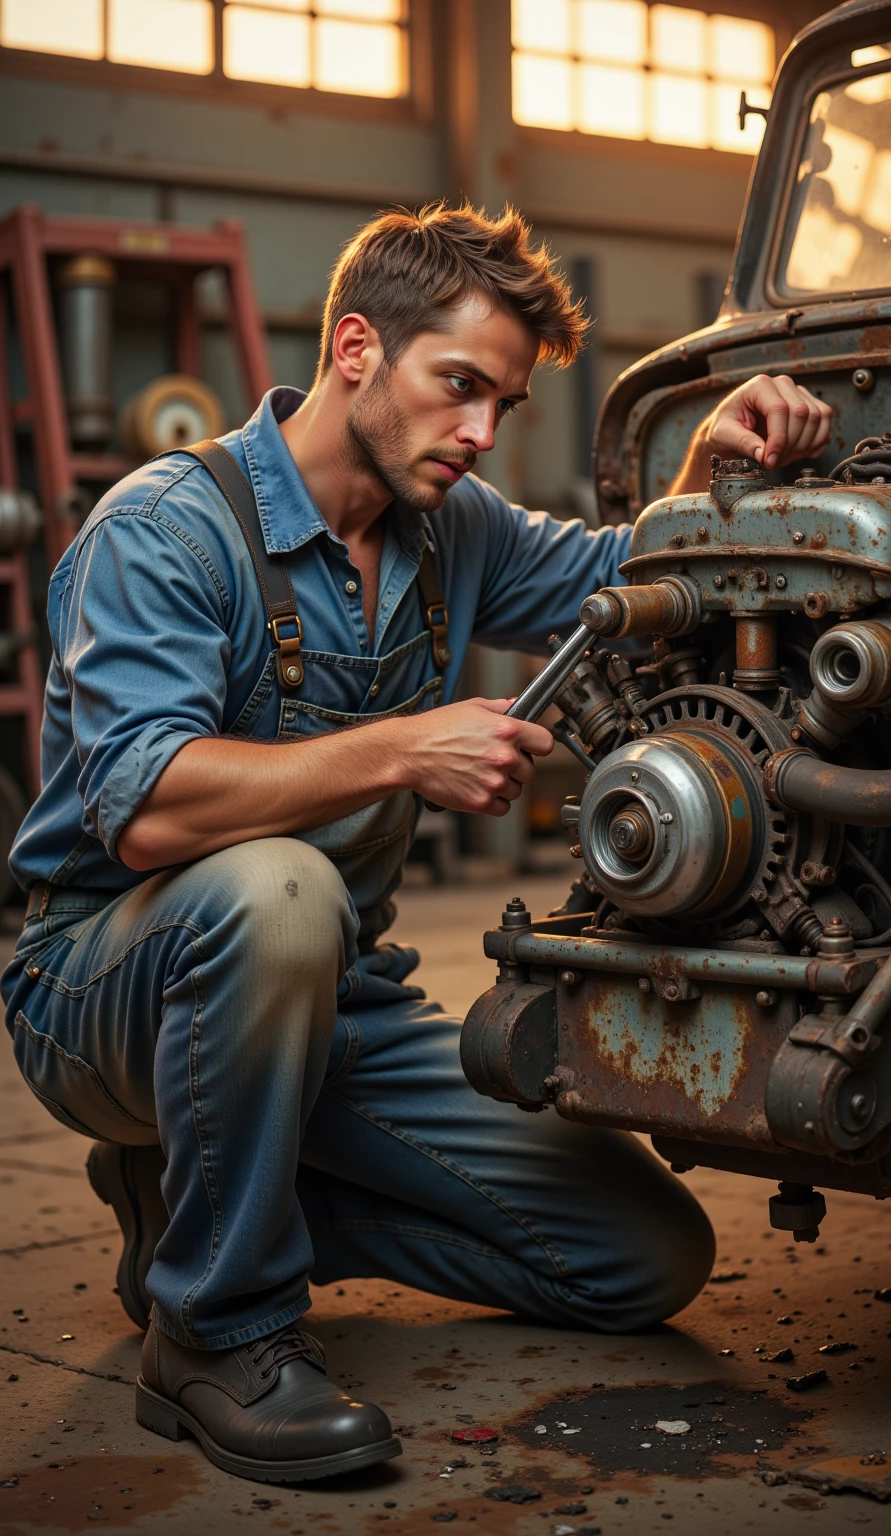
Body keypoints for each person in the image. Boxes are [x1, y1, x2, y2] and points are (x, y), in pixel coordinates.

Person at [2, 203, 831, 1485]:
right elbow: (148, 805)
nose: (481, 433)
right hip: (103, 993)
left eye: (500, 403)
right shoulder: (166, 530)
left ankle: (222, 1208)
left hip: (335, 1005)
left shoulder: (454, 526)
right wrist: (405, 746)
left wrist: (704, 475)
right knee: (273, 890)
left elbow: (621, 585)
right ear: (352, 350)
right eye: (457, 388)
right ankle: (218, 1334)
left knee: (640, 1259)